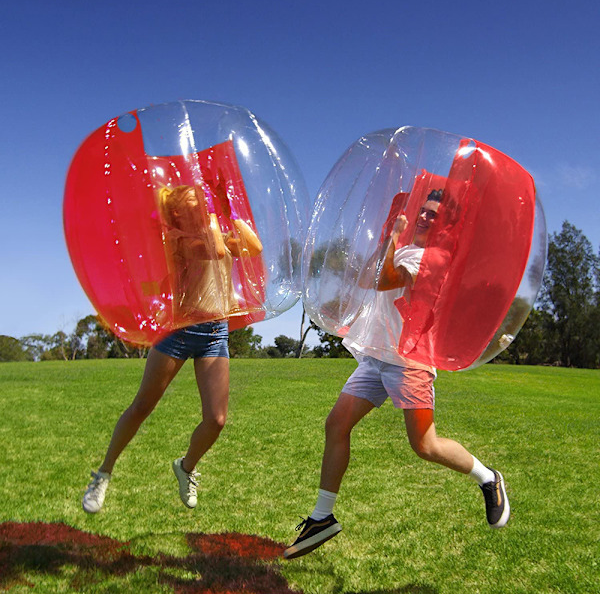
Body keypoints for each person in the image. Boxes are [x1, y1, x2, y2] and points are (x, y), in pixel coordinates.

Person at [283, 188, 510, 560]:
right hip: (376, 356)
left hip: (410, 362)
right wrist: (391, 236)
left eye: (433, 215)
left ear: (445, 225)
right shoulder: (405, 248)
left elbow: (383, 280)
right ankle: (322, 518)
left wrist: (391, 235)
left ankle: (488, 477)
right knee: (336, 425)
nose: (424, 217)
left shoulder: (436, 258)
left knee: (425, 446)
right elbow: (366, 276)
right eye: (423, 209)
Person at [82, 184, 262, 514]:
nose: (203, 198)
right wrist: (214, 213)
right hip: (179, 332)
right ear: (178, 210)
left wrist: (229, 212)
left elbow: (253, 246)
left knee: (217, 420)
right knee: (141, 407)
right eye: (196, 198)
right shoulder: (175, 238)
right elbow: (217, 252)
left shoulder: (214, 229)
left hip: (214, 332)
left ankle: (186, 467)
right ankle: (103, 473)